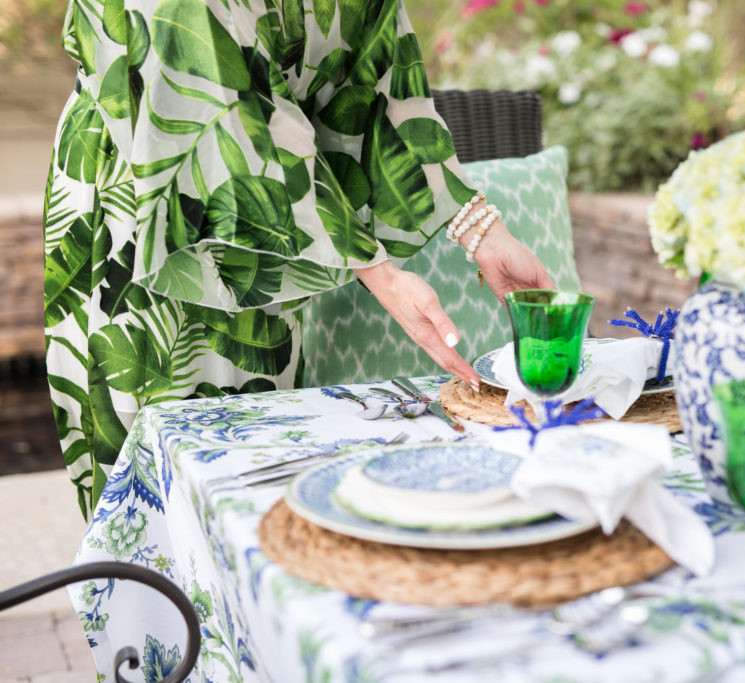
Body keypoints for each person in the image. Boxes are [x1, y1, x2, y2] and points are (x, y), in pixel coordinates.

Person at [44, 0, 554, 518]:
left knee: (256, 461)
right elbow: (214, 95)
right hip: (152, 197)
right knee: (160, 479)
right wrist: (377, 271)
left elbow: (378, 77)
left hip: (280, 233)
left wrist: (482, 232)